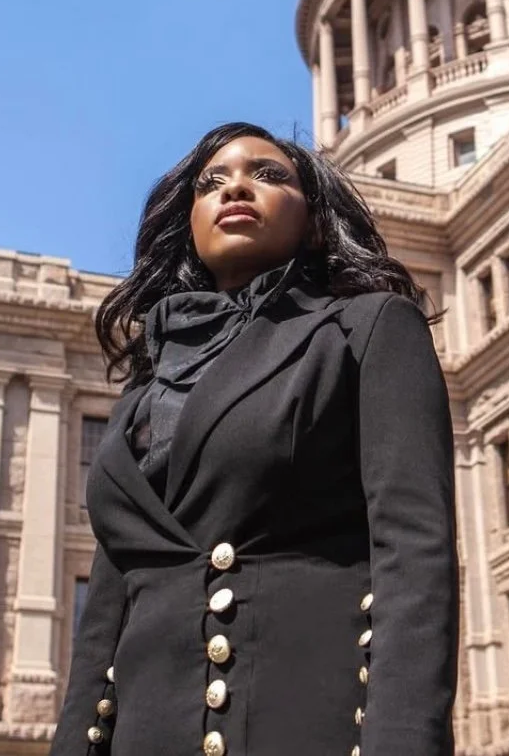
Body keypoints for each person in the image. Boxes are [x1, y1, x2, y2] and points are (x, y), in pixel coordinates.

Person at [51, 122, 458, 756]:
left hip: (300, 723)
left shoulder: (368, 328)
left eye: (268, 175)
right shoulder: (146, 385)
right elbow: (105, 617)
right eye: (212, 182)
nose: (236, 186)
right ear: (188, 222)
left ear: (316, 218)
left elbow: (415, 555)